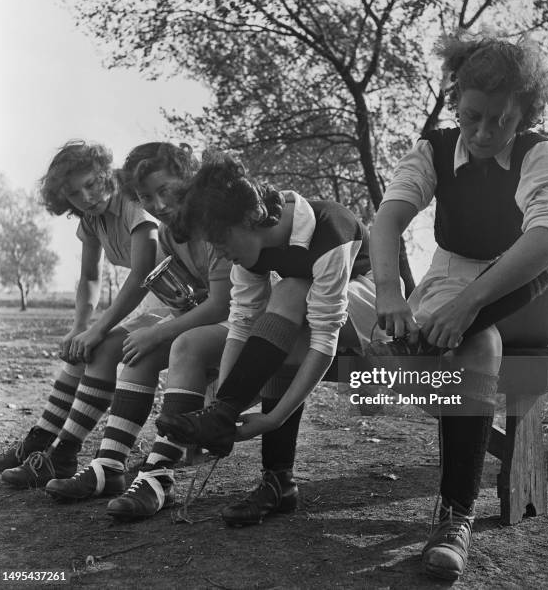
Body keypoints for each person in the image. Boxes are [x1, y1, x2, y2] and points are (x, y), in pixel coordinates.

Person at [369, 32, 548, 581]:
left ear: (524, 114)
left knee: (543, 251)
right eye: (472, 116)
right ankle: (456, 514)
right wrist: (388, 292)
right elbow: (388, 218)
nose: (484, 133)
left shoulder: (540, 152)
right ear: (457, 100)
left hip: (534, 290)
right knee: (475, 341)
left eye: (501, 121)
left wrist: (468, 305)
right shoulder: (433, 148)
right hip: (456, 277)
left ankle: (409, 355)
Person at [153, 150, 387, 526]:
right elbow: (241, 324)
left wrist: (274, 418)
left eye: (218, 240)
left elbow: (326, 338)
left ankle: (275, 472)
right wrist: (224, 407)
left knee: (291, 289)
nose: (217, 253)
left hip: (374, 314)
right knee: (277, 330)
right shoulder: (249, 250)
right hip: (314, 313)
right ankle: (278, 481)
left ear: (250, 218)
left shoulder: (329, 228)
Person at [40, 143, 232, 518]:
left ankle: (158, 474)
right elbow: (190, 295)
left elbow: (225, 304)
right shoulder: (173, 232)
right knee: (134, 349)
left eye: (166, 192)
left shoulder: (211, 224)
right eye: (148, 197)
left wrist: (160, 331)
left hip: (247, 319)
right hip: (198, 310)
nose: (159, 205)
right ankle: (107, 466)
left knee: (179, 344)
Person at [0, 140, 160, 489]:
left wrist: (98, 329)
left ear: (107, 173)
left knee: (99, 346)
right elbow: (89, 276)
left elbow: (143, 276)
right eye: (73, 193)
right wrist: (80, 327)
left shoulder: (132, 204)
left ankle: (63, 454)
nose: (86, 196)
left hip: (176, 296)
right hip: (155, 300)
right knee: (80, 348)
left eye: (92, 183)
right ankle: (40, 443)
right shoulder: (92, 218)